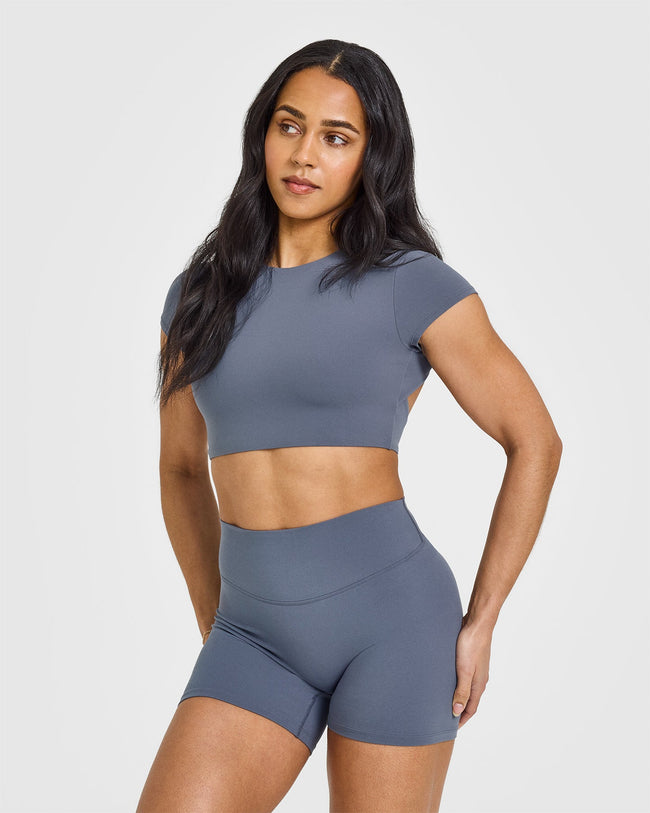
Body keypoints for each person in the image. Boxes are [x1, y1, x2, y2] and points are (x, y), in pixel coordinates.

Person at [136, 39, 562, 813]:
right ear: (262, 134)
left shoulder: (413, 285)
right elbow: (179, 467)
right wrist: (213, 612)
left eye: (336, 137)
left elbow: (534, 439)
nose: (304, 154)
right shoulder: (197, 295)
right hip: (252, 634)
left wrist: (482, 619)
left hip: (394, 625)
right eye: (289, 126)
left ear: (372, 155)